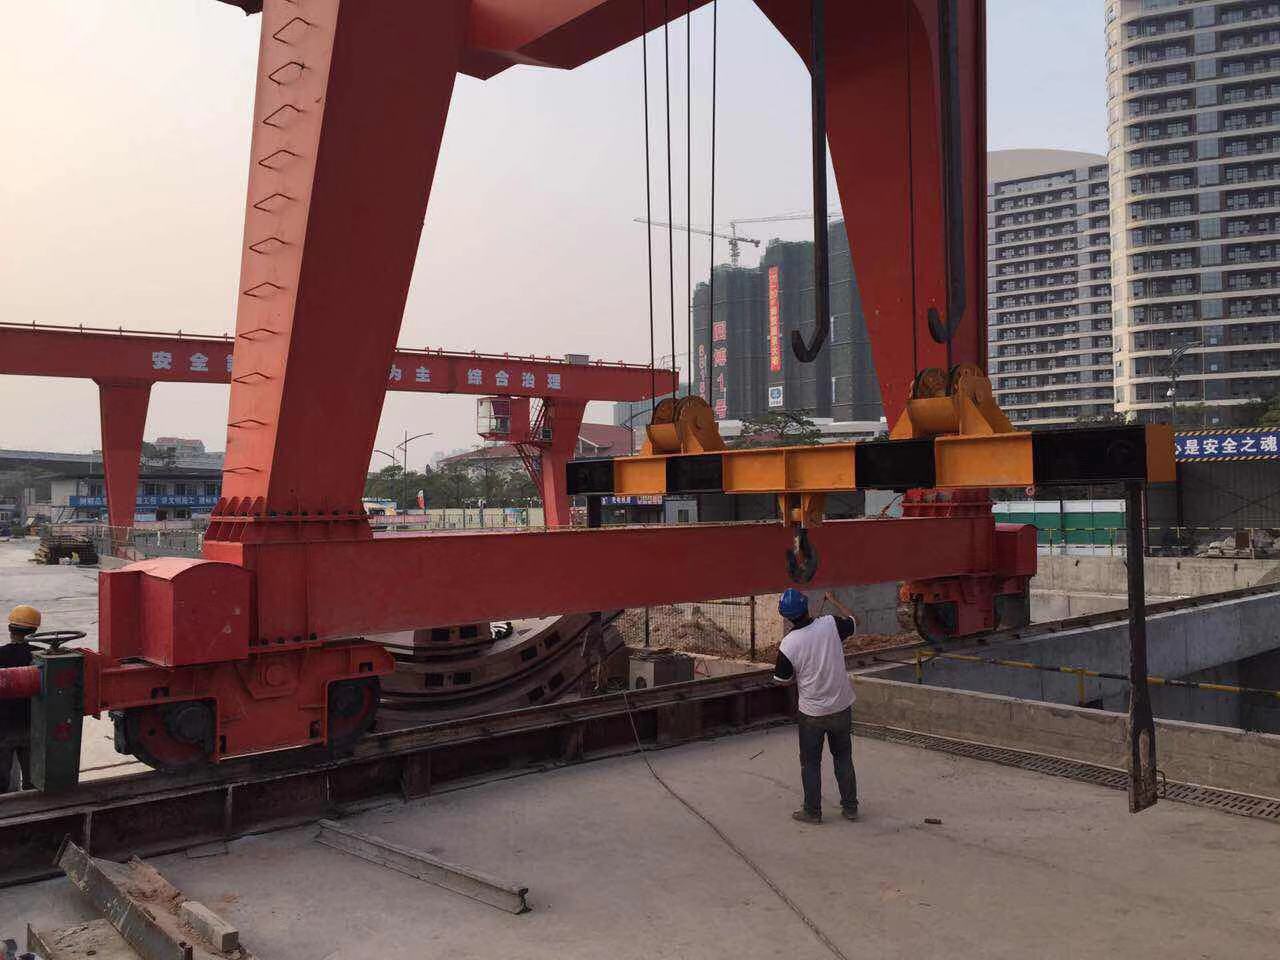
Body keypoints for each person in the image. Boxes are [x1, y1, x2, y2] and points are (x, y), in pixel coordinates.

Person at [772, 588, 859, 824]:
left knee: (811, 763)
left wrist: (798, 673)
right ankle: (850, 807)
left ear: (786, 616)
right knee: (843, 757)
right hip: (841, 706)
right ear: (807, 606)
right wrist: (834, 600)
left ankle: (812, 811)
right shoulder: (830, 624)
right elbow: (854, 621)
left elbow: (781, 680)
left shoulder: (788, 644)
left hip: (812, 714)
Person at [0, 605, 39, 793]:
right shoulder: (41, 656)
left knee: (2, 783)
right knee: (33, 782)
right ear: (34, 631)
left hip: (3, 729)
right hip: (33, 727)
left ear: (10, 629)